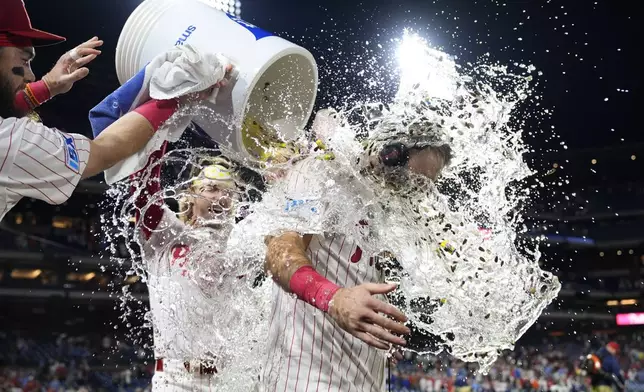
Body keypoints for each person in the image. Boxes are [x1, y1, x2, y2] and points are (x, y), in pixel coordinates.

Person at [261, 109, 452, 391]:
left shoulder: (385, 211)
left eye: (424, 187)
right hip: (305, 379)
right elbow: (278, 250)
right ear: (390, 155)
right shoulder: (323, 173)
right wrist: (334, 298)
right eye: (412, 180)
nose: (414, 192)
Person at [0, 0, 226, 221]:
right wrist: (177, 95)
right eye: (25, 60)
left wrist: (48, 86)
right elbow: (103, 151)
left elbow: (10, 107)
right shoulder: (11, 141)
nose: (30, 76)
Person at [132, 143, 253, 391]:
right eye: (211, 189)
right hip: (178, 381)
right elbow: (144, 192)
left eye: (228, 191)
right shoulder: (166, 237)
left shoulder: (243, 248)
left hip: (235, 380)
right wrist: (159, 130)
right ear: (191, 194)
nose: (221, 197)